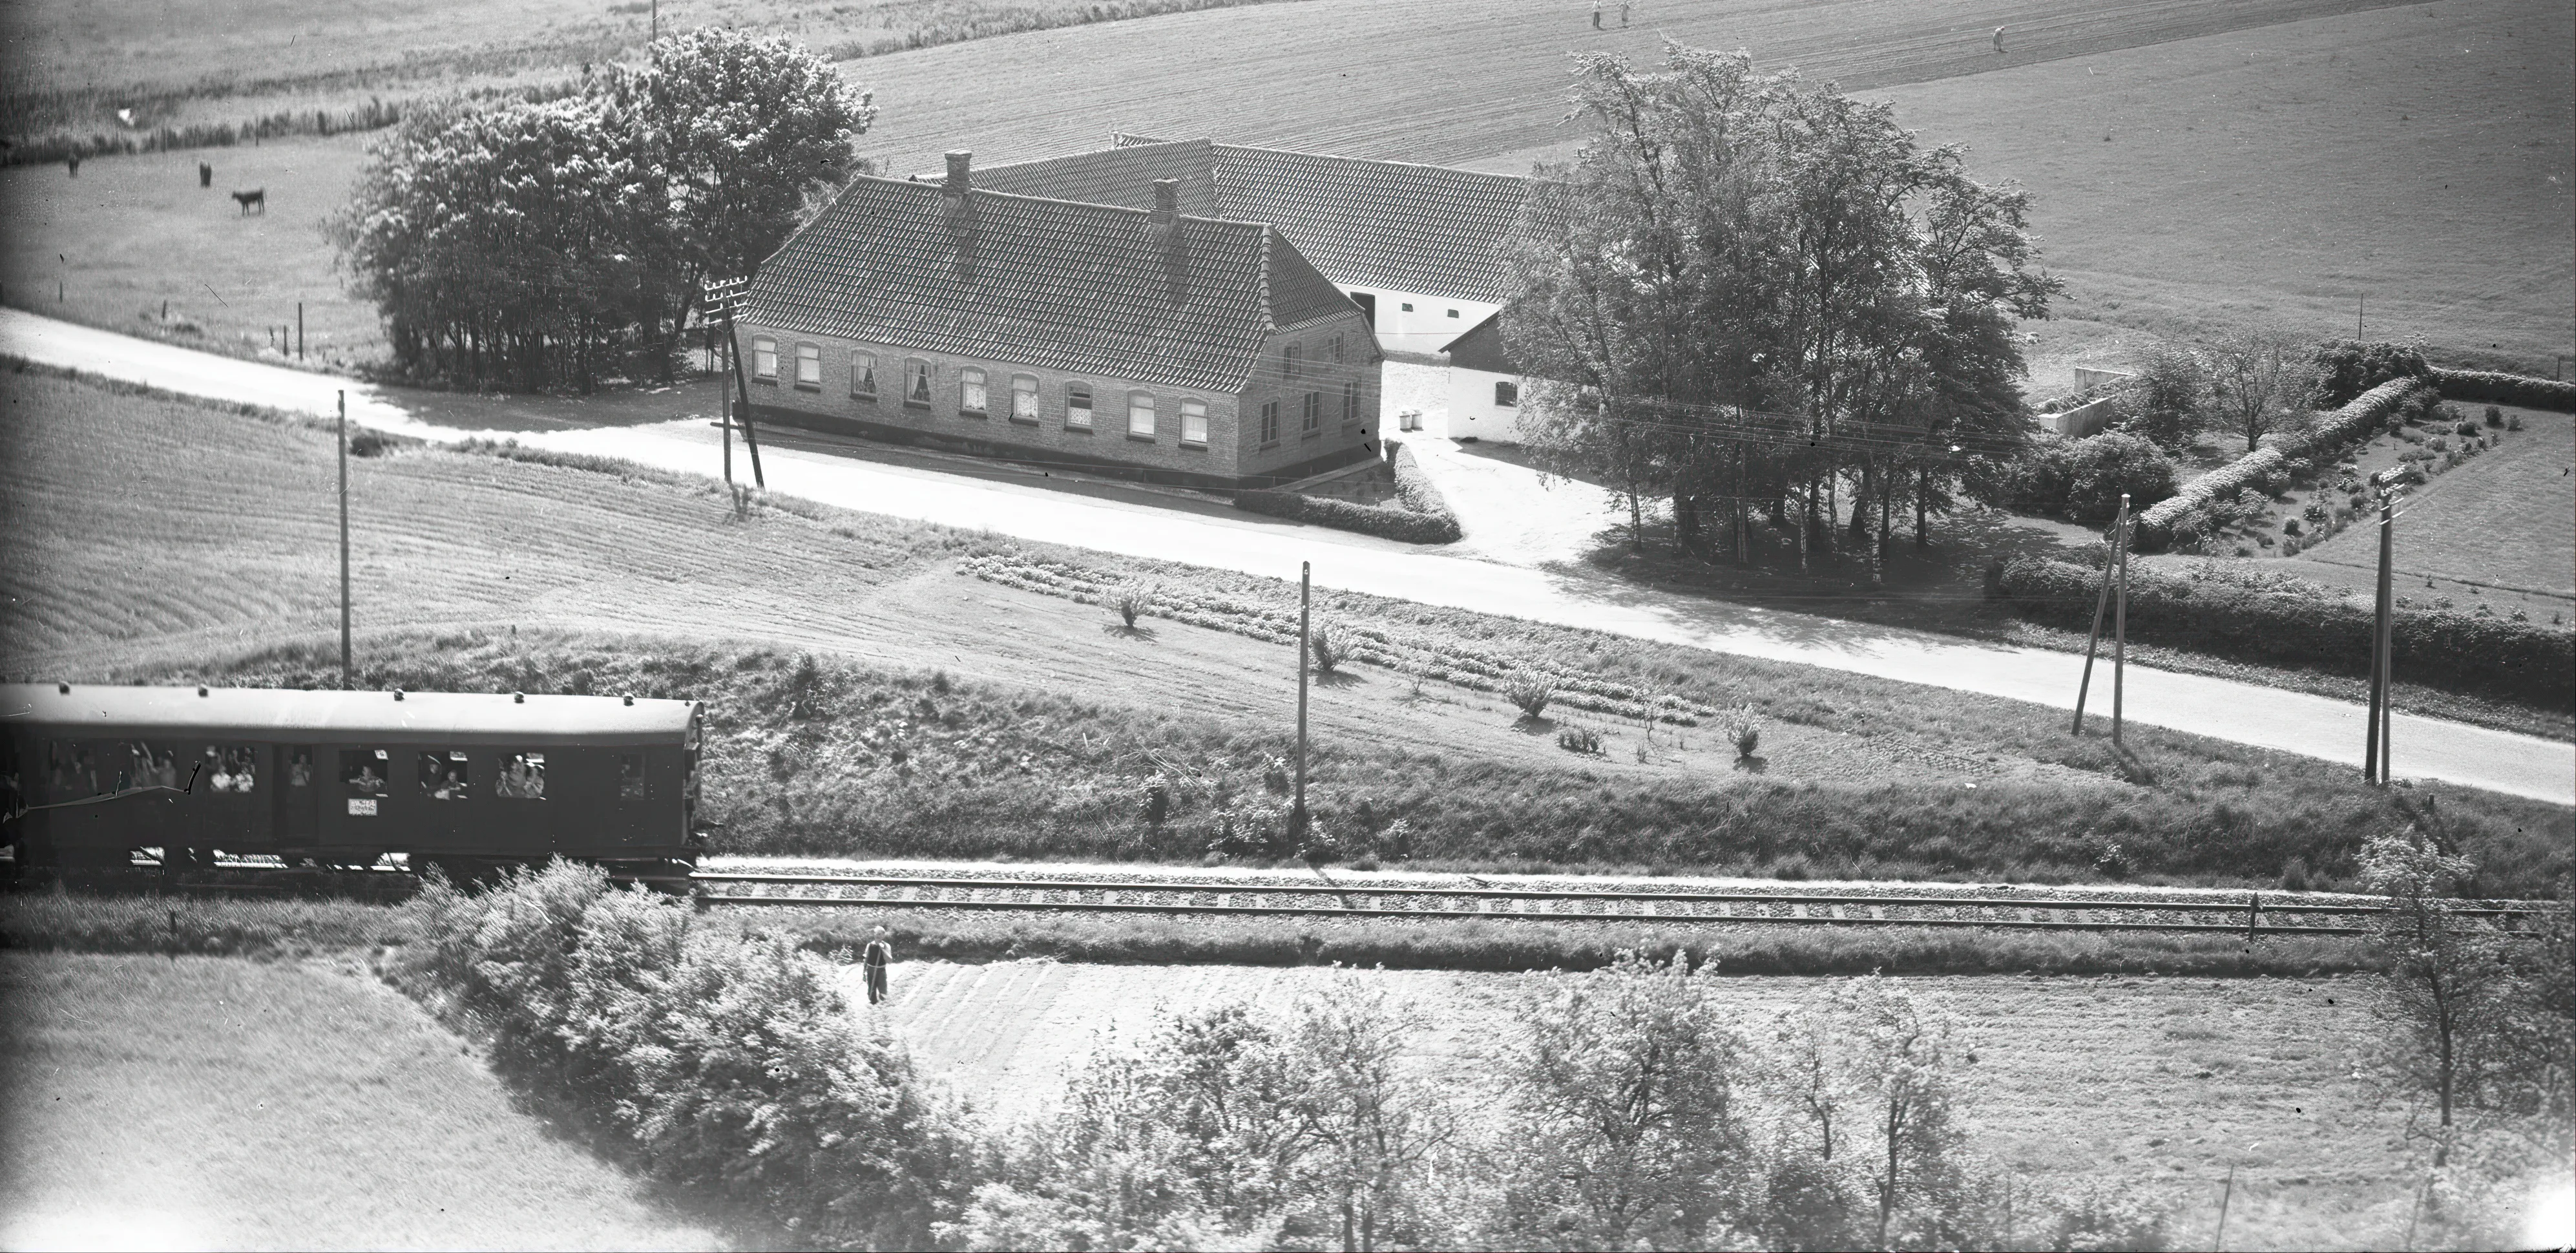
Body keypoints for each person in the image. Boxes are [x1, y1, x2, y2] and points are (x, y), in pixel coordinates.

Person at [861, 927, 894, 1005]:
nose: (877, 935)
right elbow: (866, 959)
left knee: (883, 993)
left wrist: (882, 949)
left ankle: (883, 1008)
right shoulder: (870, 945)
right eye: (876, 933)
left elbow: (889, 960)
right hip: (870, 971)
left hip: (881, 971)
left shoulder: (886, 946)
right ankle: (873, 1007)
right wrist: (864, 973)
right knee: (871, 992)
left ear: (883, 936)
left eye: (880, 934)